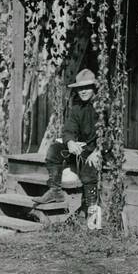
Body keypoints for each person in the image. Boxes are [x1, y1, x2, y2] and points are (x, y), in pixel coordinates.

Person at [37, 69, 102, 215]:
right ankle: (55, 191)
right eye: (80, 88)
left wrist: (98, 151)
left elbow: (111, 134)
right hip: (82, 148)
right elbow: (68, 130)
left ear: (94, 88)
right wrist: (70, 142)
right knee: (54, 150)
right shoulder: (77, 108)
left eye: (87, 88)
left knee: (88, 169)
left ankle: (92, 212)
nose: (83, 91)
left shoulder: (104, 106)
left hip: (100, 149)